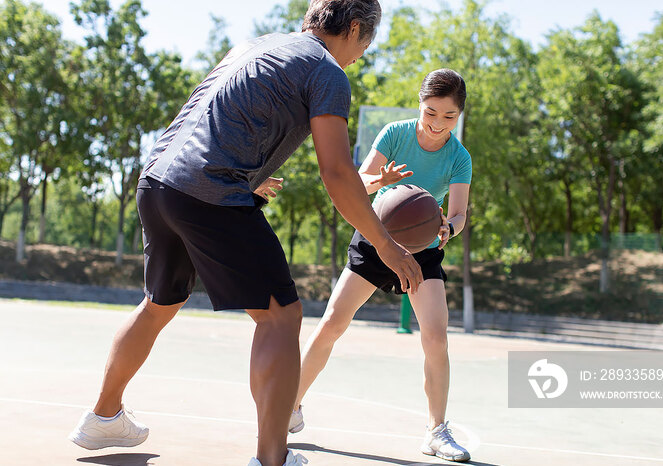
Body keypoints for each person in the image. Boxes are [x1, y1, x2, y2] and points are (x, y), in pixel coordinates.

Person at [67, 1, 425, 465]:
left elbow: (213, 120)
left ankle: (103, 417)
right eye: (366, 44)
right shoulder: (328, 72)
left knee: (160, 303)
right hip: (208, 190)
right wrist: (385, 244)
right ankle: (272, 457)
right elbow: (336, 172)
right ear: (356, 28)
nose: (360, 54)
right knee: (281, 316)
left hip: (158, 181)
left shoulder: (256, 46)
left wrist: (248, 178)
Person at [288, 69, 473, 462]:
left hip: (422, 248)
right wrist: (379, 180)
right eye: (431, 112)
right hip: (376, 236)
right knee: (331, 325)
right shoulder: (394, 134)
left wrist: (446, 228)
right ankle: (290, 407)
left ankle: (436, 431)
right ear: (419, 104)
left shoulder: (459, 157)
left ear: (458, 115)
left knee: (436, 337)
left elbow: (458, 215)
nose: (439, 124)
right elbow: (355, 183)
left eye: (449, 117)